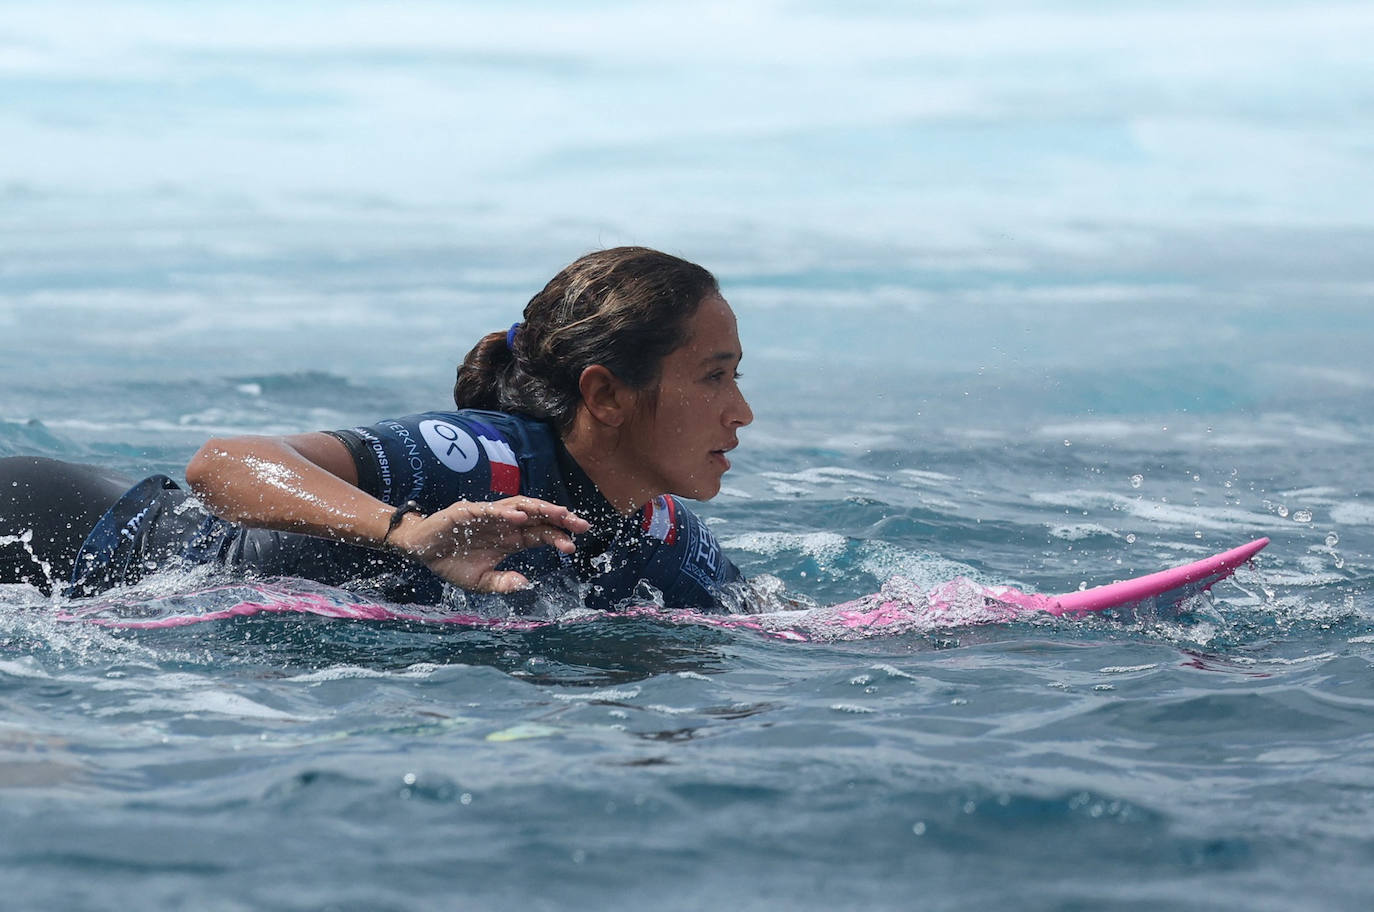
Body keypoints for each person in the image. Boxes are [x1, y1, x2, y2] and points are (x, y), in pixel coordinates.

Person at [0, 247, 754, 615]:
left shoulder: (659, 536)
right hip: (64, 538)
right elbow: (221, 462)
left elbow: (783, 629)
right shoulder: (480, 463)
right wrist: (408, 535)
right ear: (607, 395)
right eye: (713, 376)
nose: (741, 412)